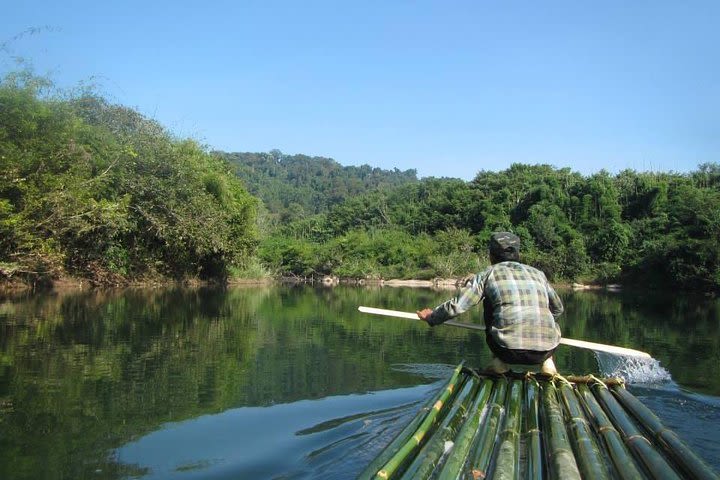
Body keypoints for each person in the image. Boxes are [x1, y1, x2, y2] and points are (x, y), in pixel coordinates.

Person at [417, 232, 563, 374]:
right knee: (546, 315)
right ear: (518, 254)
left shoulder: (486, 275)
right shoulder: (538, 274)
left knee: (489, 302)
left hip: (506, 349)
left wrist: (432, 317)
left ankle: (499, 363)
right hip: (546, 349)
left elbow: (458, 306)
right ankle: (548, 363)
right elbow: (558, 309)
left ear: (491, 255)